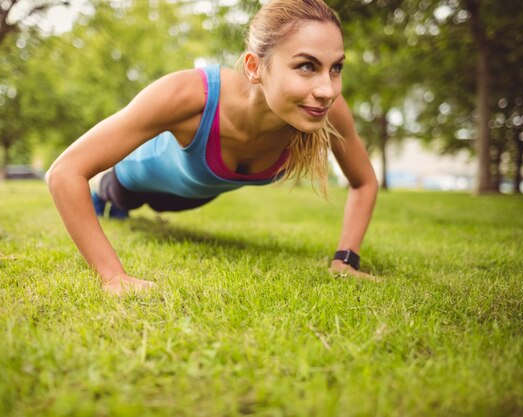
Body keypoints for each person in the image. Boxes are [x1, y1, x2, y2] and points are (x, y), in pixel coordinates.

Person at [47, 0, 379, 295]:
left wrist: (345, 259)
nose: (327, 89)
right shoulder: (188, 95)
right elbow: (64, 172)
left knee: (167, 207)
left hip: (195, 194)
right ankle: (104, 198)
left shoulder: (326, 110)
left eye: (336, 67)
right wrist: (112, 277)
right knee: (119, 198)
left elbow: (364, 181)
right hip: (133, 177)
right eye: (306, 65)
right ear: (254, 67)